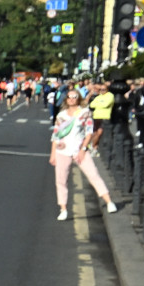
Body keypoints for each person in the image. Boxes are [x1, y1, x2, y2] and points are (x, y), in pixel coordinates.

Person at [50, 89, 118, 221]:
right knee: (61, 180)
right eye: (69, 97)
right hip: (62, 151)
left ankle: (109, 201)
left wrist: (83, 149)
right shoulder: (61, 115)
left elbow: (89, 132)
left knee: (93, 175)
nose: (71, 99)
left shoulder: (84, 113)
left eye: (74, 97)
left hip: (79, 150)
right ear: (66, 100)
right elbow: (56, 135)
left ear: (78, 98)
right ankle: (63, 209)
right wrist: (53, 154)